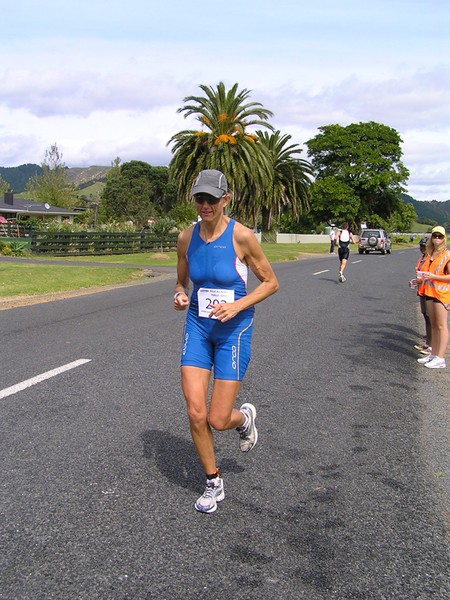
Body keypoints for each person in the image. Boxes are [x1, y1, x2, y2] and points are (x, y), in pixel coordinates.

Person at [173, 169, 279, 513]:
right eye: (199, 199)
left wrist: (237, 305)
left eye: (211, 199)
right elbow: (181, 283)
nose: (204, 205)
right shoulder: (186, 238)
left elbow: (270, 283)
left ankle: (243, 420)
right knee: (194, 410)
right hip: (199, 327)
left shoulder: (242, 237)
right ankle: (212, 481)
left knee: (218, 419)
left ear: (225, 200)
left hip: (234, 329)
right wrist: (179, 295)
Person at [416, 226, 450, 369]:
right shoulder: (431, 254)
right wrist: (418, 280)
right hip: (429, 292)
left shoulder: (447, 255)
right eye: (435, 236)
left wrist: (434, 277)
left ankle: (440, 357)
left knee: (441, 326)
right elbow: (425, 273)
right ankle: (433, 354)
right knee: (434, 325)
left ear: (444, 239)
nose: (437, 238)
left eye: (440, 236)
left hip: (441, 294)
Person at [412, 237, 432, 355]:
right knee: (425, 315)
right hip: (422, 290)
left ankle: (430, 345)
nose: (422, 248)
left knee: (430, 318)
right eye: (421, 246)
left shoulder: (430, 259)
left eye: (424, 246)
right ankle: (428, 343)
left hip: (430, 291)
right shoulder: (422, 259)